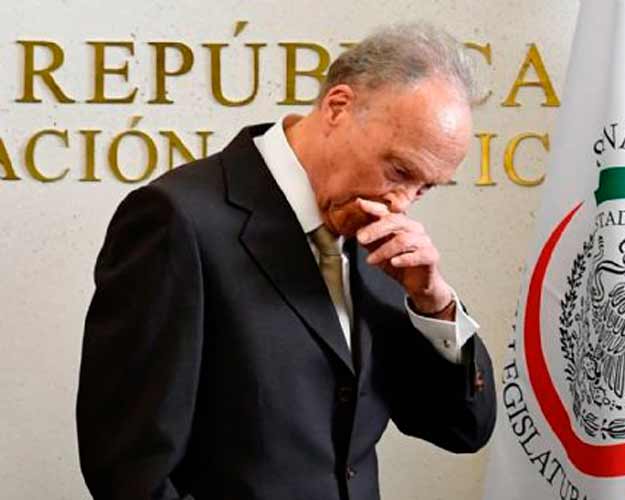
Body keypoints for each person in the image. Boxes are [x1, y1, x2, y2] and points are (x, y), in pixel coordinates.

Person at [76, 22, 497, 500]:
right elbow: (130, 470)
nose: (402, 202)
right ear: (338, 107)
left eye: (424, 188)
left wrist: (434, 304)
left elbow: (462, 429)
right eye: (399, 170)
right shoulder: (176, 220)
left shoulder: (382, 242)